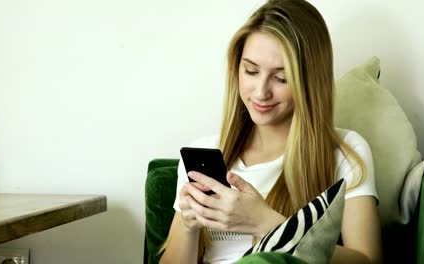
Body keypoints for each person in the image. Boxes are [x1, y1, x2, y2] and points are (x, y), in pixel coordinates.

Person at [160, 0, 382, 263]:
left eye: (281, 78)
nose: (261, 92)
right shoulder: (207, 153)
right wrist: (188, 225)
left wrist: (267, 224)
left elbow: (368, 260)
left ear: (310, 81)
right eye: (251, 71)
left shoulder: (346, 152)